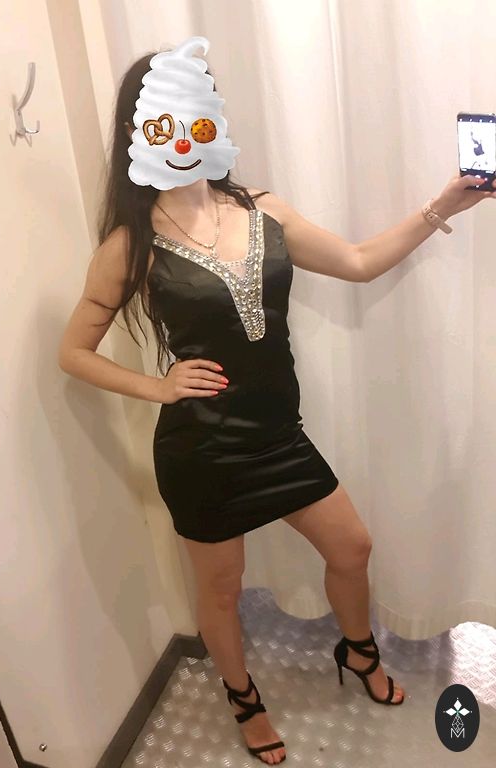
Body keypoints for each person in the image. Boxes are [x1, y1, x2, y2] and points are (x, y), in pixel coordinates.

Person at [58, 40, 496, 766]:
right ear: (141, 131)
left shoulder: (262, 210)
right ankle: (244, 698)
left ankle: (358, 652)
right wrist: (157, 386)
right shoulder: (129, 246)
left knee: (352, 547)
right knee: (221, 589)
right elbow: (73, 351)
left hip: (279, 437)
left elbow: (357, 262)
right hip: (200, 451)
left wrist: (440, 206)